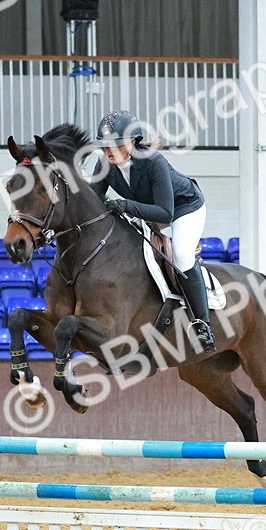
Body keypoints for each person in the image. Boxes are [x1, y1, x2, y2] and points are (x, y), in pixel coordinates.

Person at [89, 110, 214, 350]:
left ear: (132, 142)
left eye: (115, 145)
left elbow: (165, 213)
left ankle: (202, 324)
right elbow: (92, 201)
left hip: (184, 208)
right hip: (148, 210)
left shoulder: (153, 161)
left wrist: (125, 205)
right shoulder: (104, 163)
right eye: (105, 146)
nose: (108, 151)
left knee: (181, 254)